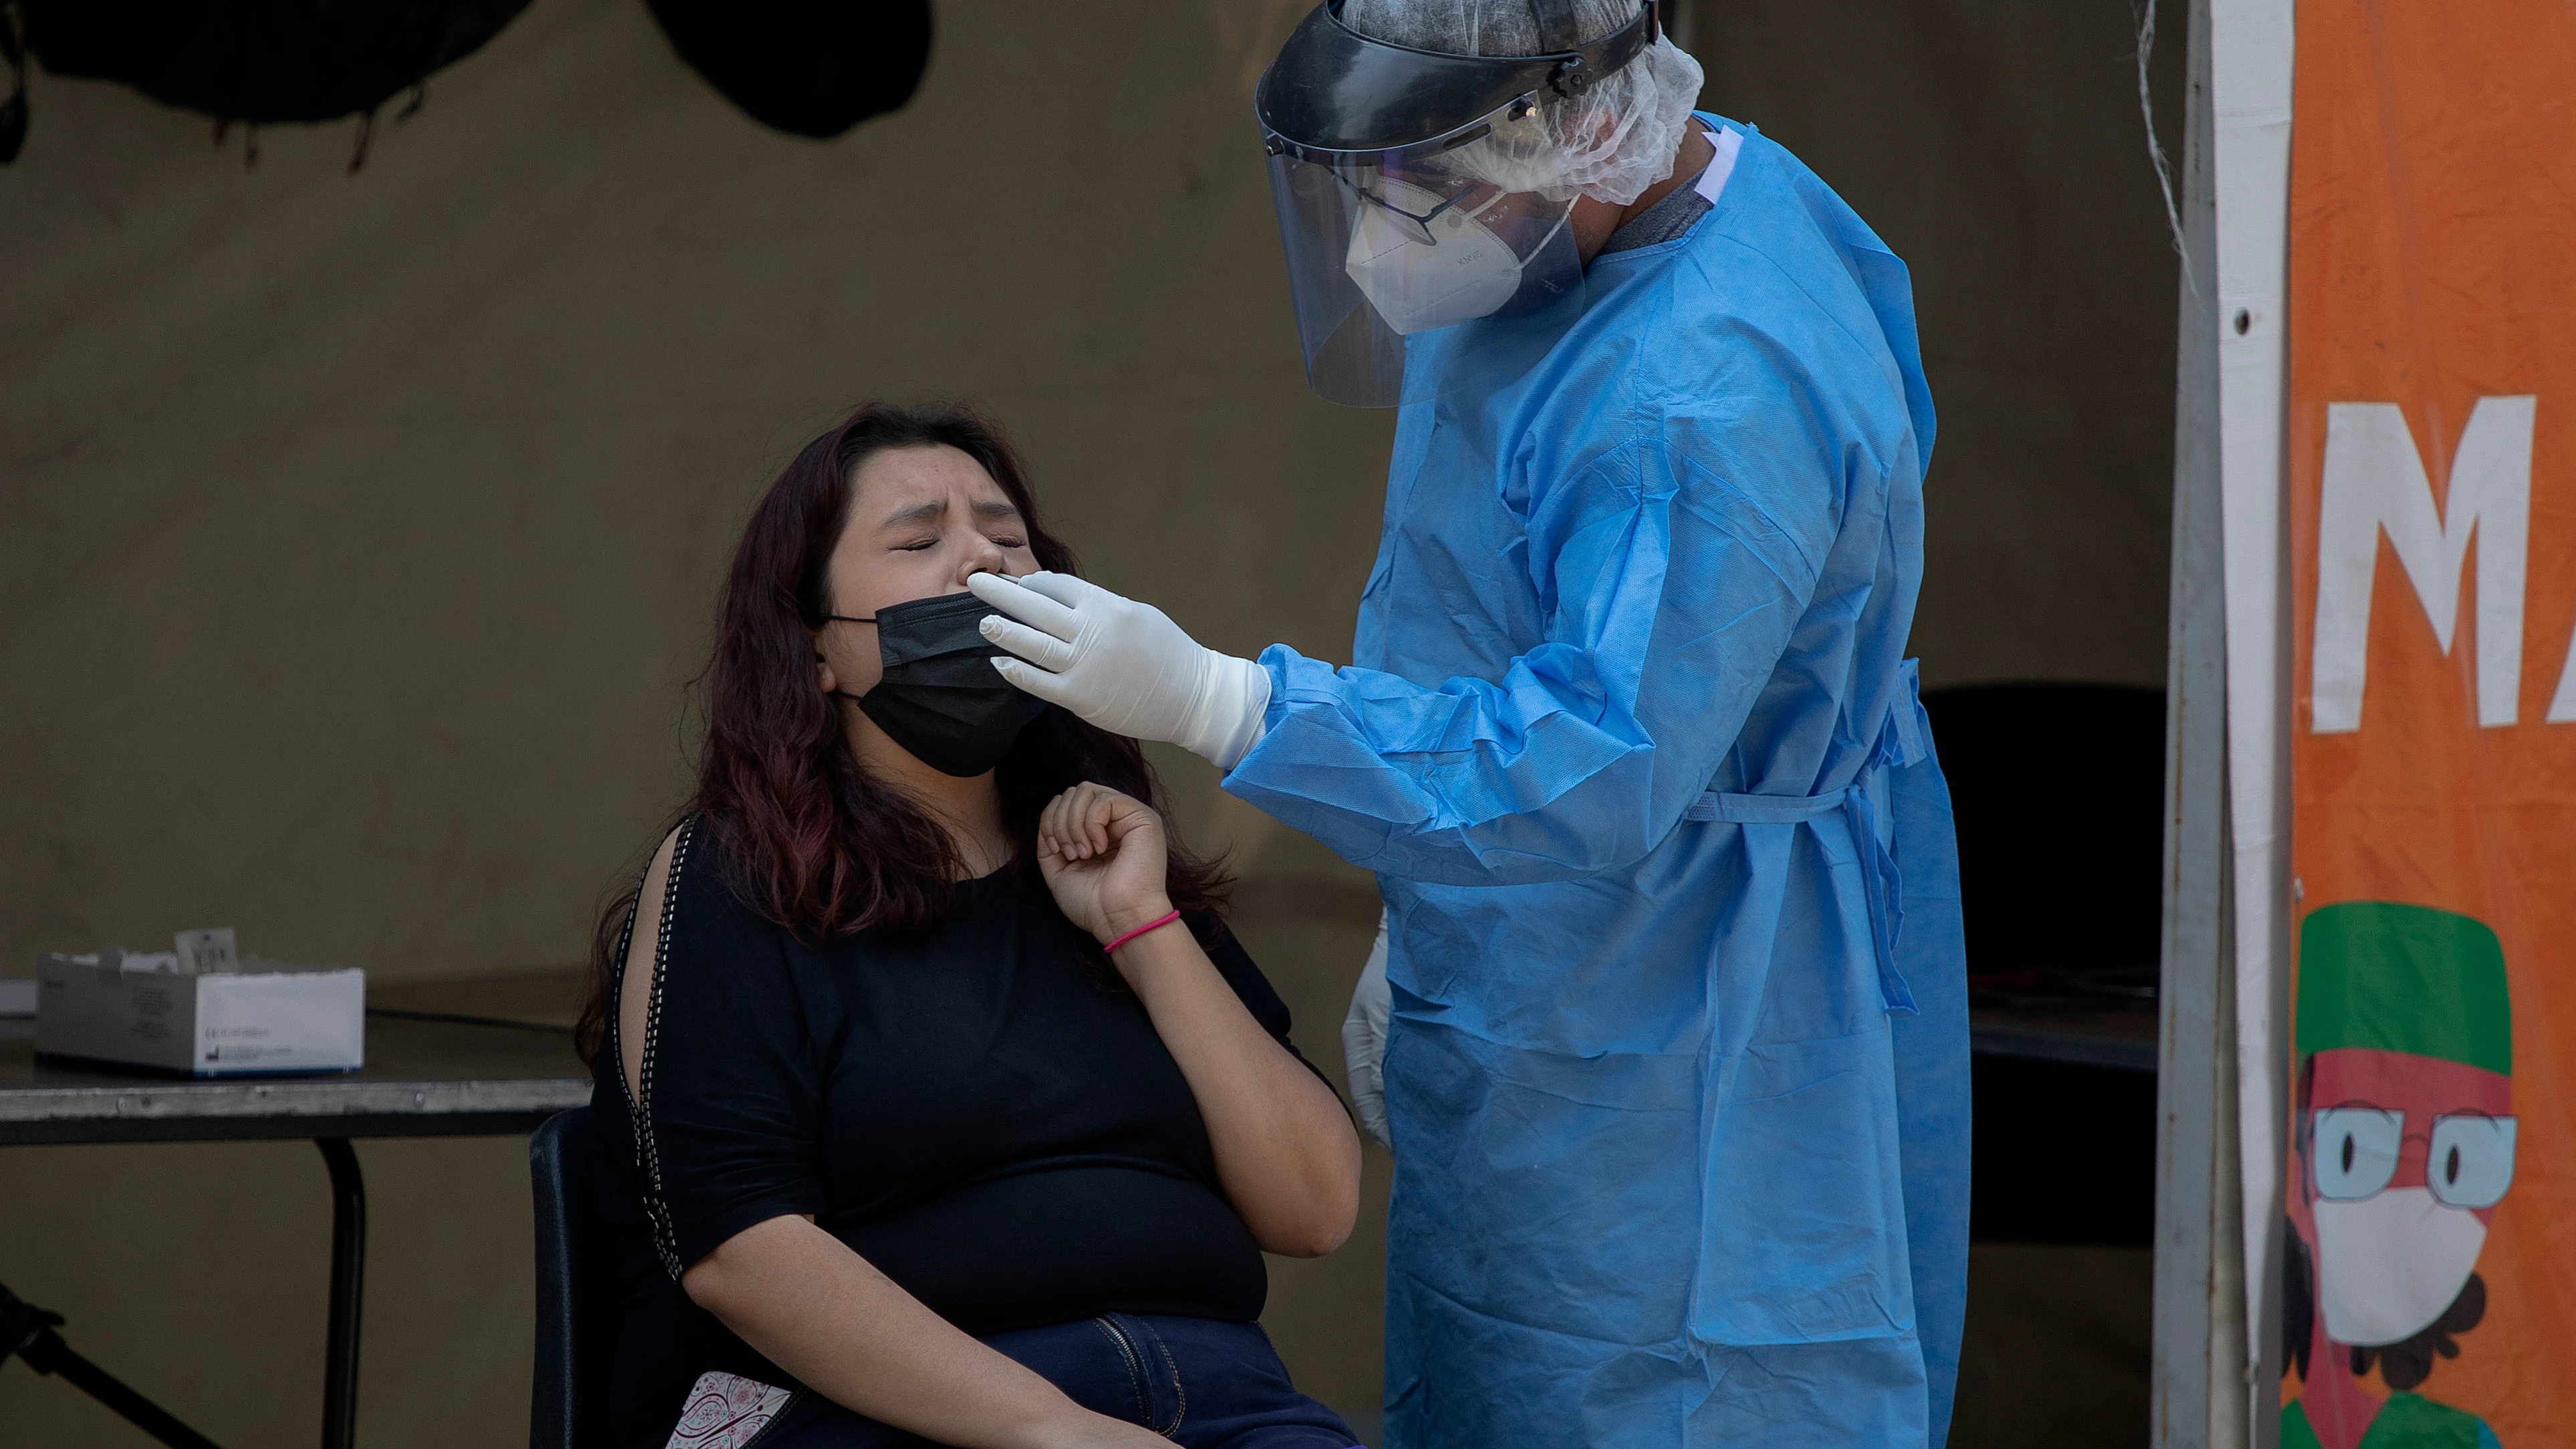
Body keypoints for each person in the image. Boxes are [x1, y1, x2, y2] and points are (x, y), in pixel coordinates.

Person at [962, 2, 1971, 1445]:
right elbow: (1483, 619)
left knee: (1668, 1384)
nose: (1378, 243)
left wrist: (1222, 701)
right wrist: (1435, 896)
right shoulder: (1592, 230)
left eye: (1420, 187)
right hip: (1539, 927)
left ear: (1578, 130)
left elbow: (1599, 761)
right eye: (1359, 186)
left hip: (1685, 1002)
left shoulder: (1700, 395)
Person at [575, 403, 1367, 1449]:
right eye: (919, 539)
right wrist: (1053, 1431)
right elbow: (739, 1251)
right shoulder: (733, 874)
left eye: (1006, 538)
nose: (980, 564)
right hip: (898, 1418)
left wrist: (1142, 926)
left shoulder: (1105, 854)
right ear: (814, 649)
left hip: (1223, 1400)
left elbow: (1312, 1209)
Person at [2282, 902, 2515, 1449]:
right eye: (2354, 1148)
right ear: (2297, 1169)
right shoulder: (2251, 1427)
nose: (2406, 1196)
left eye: (2458, 1160)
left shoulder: (2464, 1439)